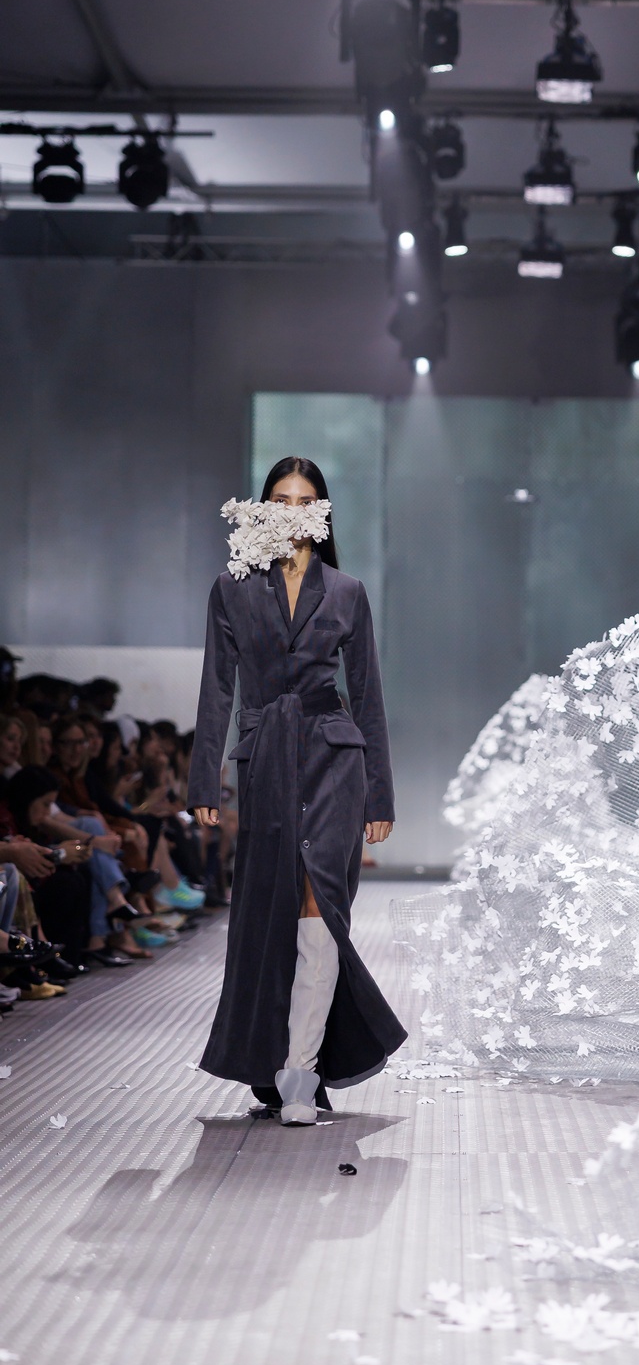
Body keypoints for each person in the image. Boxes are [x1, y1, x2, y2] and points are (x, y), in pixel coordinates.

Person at [189, 455, 405, 1125]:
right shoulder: (231, 589)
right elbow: (217, 687)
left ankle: (301, 1073)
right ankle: (273, 1060)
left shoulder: (346, 592)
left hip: (334, 759)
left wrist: (379, 795)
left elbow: (366, 695)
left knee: (321, 906)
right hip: (266, 762)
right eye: (279, 500)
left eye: (304, 500)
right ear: (262, 509)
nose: (291, 512)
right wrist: (204, 777)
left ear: (322, 512)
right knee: (268, 912)